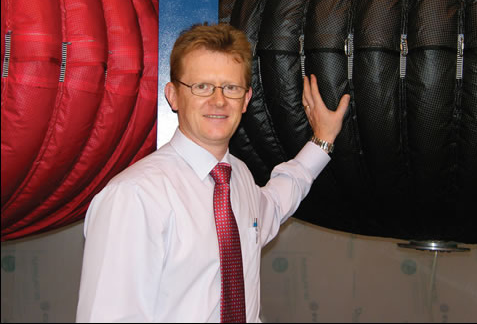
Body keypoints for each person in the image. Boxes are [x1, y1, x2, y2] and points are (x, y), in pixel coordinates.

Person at [76, 23, 350, 323]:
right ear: (173, 96)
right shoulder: (134, 196)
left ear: (245, 100)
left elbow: (274, 203)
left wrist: (322, 140)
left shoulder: (239, 178)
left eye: (230, 88)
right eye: (202, 86)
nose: (218, 101)